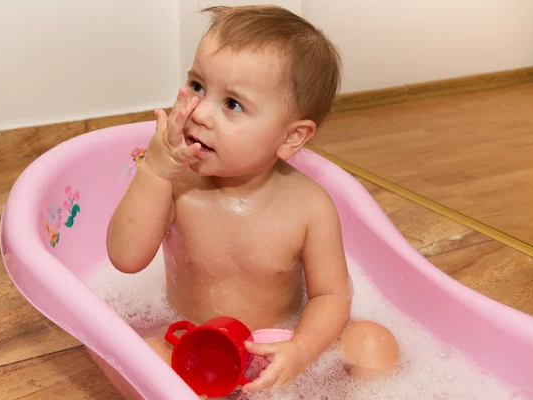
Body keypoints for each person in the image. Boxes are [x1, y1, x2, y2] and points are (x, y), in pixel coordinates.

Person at [106, 5, 399, 396]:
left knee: (374, 344)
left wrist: (300, 349)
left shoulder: (310, 206)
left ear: (291, 138)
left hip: (277, 346)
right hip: (191, 348)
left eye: (233, 104)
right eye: (197, 86)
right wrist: (156, 172)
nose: (202, 114)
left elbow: (331, 294)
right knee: (140, 359)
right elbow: (126, 258)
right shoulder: (176, 185)